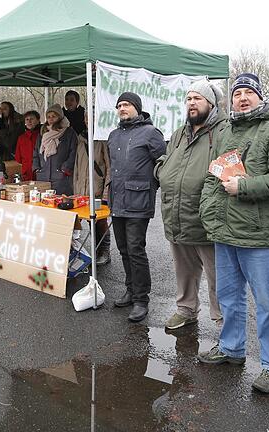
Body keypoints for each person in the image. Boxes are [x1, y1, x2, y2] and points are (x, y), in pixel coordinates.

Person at [197, 73, 269, 394]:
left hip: (257, 234)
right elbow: (216, 175)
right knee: (228, 297)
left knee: (267, 303)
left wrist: (243, 187)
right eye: (237, 92)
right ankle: (231, 348)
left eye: (248, 93)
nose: (242, 98)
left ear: (260, 97)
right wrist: (206, 207)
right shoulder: (226, 129)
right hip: (225, 231)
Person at [156, 80, 227, 330]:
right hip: (177, 212)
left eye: (197, 98)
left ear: (210, 103)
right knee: (184, 269)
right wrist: (161, 171)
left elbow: (229, 168)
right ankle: (186, 309)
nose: (192, 103)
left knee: (218, 274)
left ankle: (222, 320)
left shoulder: (223, 131)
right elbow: (165, 157)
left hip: (206, 217)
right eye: (189, 99)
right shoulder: (179, 132)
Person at [106, 92, 166, 322]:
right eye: (119, 105)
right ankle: (130, 290)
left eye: (127, 105)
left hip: (138, 201)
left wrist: (150, 187)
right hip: (118, 201)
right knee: (123, 249)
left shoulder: (151, 133)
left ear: (137, 108)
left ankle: (142, 299)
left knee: (135, 250)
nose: (122, 108)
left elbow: (163, 164)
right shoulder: (113, 135)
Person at [73, 111, 111, 265]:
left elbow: (109, 167)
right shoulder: (81, 139)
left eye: (93, 117)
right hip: (81, 189)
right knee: (90, 222)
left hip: (97, 188)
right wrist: (75, 190)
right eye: (87, 118)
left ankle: (104, 251)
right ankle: (96, 250)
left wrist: (106, 194)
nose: (89, 121)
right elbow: (77, 166)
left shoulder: (103, 140)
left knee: (100, 221)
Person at [32, 104, 77, 195]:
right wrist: (37, 168)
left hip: (61, 177)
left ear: (60, 117)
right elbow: (36, 152)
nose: (51, 119)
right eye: (48, 117)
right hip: (43, 176)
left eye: (54, 116)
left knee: (61, 203)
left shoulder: (69, 132)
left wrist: (65, 168)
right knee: (44, 204)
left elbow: (74, 152)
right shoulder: (43, 132)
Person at [15, 110, 41, 181]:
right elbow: (18, 157)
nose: (29, 121)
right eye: (27, 119)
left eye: (32, 119)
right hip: (26, 172)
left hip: (40, 171)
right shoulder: (21, 138)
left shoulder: (42, 136)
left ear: (38, 120)